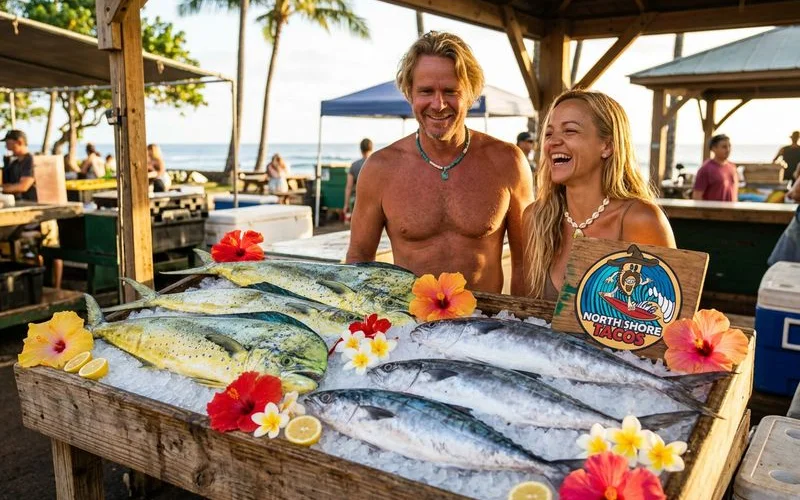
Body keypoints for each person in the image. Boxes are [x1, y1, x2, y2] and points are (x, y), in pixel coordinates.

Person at [346, 31, 534, 294]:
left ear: (469, 94)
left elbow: (526, 262)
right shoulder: (380, 169)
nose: (438, 104)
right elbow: (359, 258)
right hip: (410, 326)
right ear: (409, 93)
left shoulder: (508, 162)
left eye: (450, 91)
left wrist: (521, 324)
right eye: (426, 91)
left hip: (486, 325)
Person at [522, 89, 675, 300]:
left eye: (570, 131)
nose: (553, 142)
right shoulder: (535, 218)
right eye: (549, 133)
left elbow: (666, 319)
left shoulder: (641, 220)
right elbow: (522, 312)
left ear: (607, 146)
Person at [693, 134, 738, 202]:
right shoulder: (706, 169)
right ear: (714, 148)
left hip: (731, 211)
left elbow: (734, 192)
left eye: (729, 146)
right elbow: (697, 197)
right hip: (713, 212)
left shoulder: (732, 167)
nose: (728, 149)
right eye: (724, 147)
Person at [2, 129, 37, 201]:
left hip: (31, 202)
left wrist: (2, 189)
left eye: (8, 144)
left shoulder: (31, 160)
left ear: (19, 142)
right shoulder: (14, 163)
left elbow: (23, 186)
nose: (6, 147)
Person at [343, 138, 373, 219]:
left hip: (358, 202)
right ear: (372, 148)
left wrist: (346, 205)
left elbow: (349, 187)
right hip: (374, 201)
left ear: (361, 149)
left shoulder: (354, 165)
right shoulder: (377, 164)